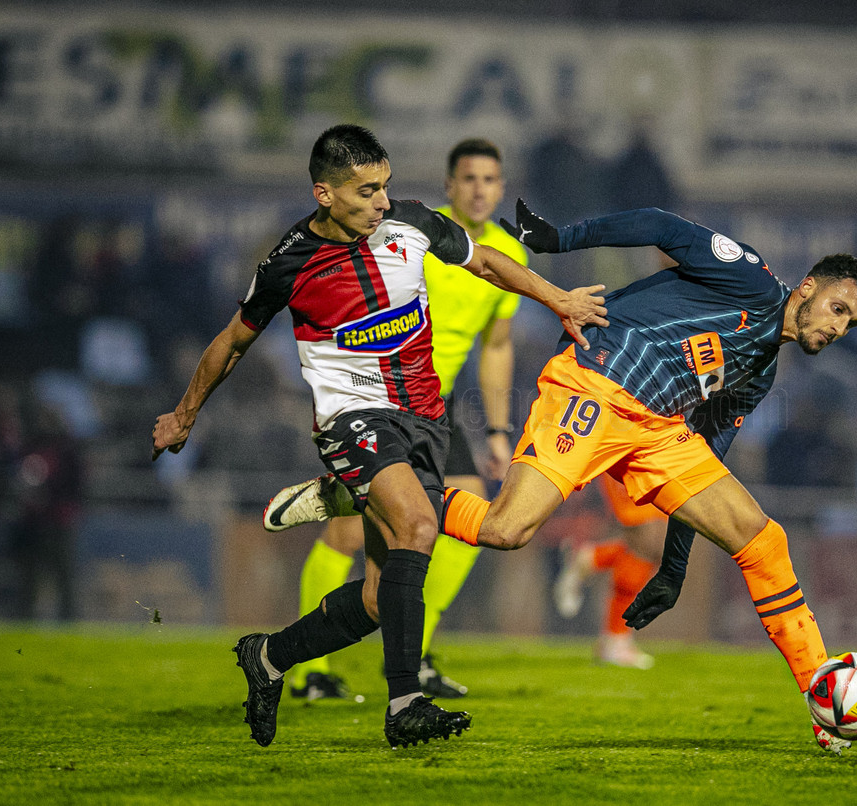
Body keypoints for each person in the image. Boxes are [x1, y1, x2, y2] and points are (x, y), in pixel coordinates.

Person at [273, 199, 857, 753]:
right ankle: (362, 491)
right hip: (597, 383)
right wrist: (559, 241)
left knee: (762, 538)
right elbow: (661, 225)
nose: (837, 328)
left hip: (659, 429)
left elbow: (707, 457)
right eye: (836, 308)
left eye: (850, 324)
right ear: (807, 287)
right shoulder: (748, 278)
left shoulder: (759, 372)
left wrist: (673, 565)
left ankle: (821, 699)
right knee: (505, 529)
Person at [151, 125, 607, 750]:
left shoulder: (412, 224)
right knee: (421, 525)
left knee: (375, 596)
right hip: (353, 418)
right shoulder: (288, 261)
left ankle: (269, 657)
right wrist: (184, 414)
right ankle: (405, 703)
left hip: (425, 418)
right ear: (326, 194)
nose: (383, 203)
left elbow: (489, 263)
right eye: (367, 192)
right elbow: (233, 341)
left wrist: (557, 299)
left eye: (385, 187)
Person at [269, 137, 527, 701]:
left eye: (490, 179)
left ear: (501, 188)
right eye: (469, 179)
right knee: (356, 534)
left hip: (438, 404)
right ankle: (315, 670)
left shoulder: (510, 252)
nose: (480, 189)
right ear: (449, 186)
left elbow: (498, 345)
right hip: (375, 399)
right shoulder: (407, 234)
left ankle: (417, 646)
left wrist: (499, 430)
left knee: (468, 519)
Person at [553, 474, 662, 669]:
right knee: (645, 541)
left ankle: (590, 558)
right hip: (630, 459)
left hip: (661, 459)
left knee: (658, 546)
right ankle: (616, 639)